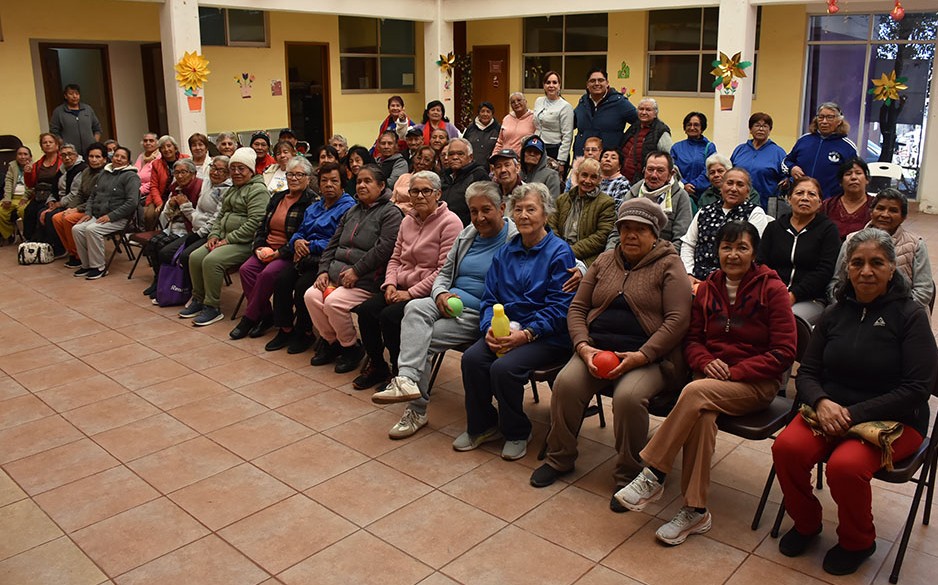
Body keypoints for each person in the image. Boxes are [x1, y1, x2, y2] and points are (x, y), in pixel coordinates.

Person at [615, 220, 796, 545]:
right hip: (708, 378)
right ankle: (695, 511)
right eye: (726, 247)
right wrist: (704, 361)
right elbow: (693, 340)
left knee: (694, 393)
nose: (733, 254)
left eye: (742, 247)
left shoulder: (773, 289)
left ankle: (653, 473)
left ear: (754, 252)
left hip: (753, 383)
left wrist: (736, 371)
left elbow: (783, 352)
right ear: (717, 251)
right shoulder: (709, 287)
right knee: (702, 415)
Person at [772, 228, 936, 576]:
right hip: (830, 410)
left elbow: (917, 389)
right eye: (857, 262)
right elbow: (809, 371)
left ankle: (858, 541)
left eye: (877, 263)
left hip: (896, 418)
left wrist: (852, 413)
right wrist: (822, 402)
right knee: (787, 448)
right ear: (846, 268)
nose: (866, 271)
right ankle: (806, 522)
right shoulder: (834, 312)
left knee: (846, 467)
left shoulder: (910, 317)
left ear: (893, 268)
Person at [531, 198, 692, 500]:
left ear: (655, 234)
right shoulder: (604, 261)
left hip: (648, 359)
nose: (631, 235)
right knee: (566, 384)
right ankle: (559, 457)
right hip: (596, 351)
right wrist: (582, 346)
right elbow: (577, 307)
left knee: (629, 398)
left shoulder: (670, 265)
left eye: (640, 230)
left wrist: (642, 355)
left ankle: (628, 473)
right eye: (625, 228)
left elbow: (678, 320)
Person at [371, 182, 519, 438]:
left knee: (421, 341)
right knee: (415, 307)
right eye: (473, 211)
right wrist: (440, 292)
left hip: (480, 314)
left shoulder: (515, 239)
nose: (479, 218)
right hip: (447, 302)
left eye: (486, 210)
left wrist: (580, 269)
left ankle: (416, 410)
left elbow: (559, 256)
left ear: (501, 208)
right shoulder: (468, 234)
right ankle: (405, 379)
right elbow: (445, 273)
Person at [456, 183, 576, 461]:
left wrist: (529, 333)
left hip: (548, 336)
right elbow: (489, 298)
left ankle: (517, 431)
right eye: (518, 209)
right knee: (472, 359)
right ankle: (483, 425)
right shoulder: (506, 252)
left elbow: (560, 308)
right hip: (506, 330)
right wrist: (487, 329)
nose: (523, 215)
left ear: (545, 215)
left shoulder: (559, 253)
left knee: (504, 368)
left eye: (531, 209)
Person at [350, 171, 462, 390]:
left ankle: (400, 374)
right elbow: (395, 258)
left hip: (427, 293)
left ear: (438, 193)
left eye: (426, 191)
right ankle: (377, 365)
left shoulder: (450, 223)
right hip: (399, 287)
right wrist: (390, 284)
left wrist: (409, 294)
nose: (419, 196)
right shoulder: (407, 220)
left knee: (390, 317)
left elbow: (443, 271)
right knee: (366, 311)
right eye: (414, 191)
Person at [306, 165, 403, 373]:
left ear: (382, 185)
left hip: (366, 279)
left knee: (333, 303)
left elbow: (384, 249)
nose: (361, 185)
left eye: (368, 181)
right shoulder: (352, 210)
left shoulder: (391, 213)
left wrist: (356, 271)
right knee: (311, 296)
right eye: (359, 181)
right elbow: (333, 244)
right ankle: (332, 343)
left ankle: (350, 347)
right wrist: (323, 270)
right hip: (336, 274)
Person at [266, 162, 355, 353]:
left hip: (326, 259)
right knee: (281, 280)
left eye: (334, 181)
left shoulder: (348, 208)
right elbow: (301, 231)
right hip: (304, 255)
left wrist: (309, 246)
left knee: (302, 287)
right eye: (324, 181)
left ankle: (305, 332)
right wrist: (297, 241)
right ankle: (285, 328)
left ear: (342, 184)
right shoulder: (315, 206)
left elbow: (339, 241)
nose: (328, 185)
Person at [180, 147, 270, 326]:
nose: (236, 172)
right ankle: (198, 299)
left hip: (245, 242)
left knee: (211, 260)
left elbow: (255, 223)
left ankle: (212, 307)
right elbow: (220, 216)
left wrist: (228, 239)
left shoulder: (258, 191)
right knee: (195, 257)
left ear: (251, 170)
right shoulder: (232, 189)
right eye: (233, 168)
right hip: (224, 239)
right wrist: (214, 235)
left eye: (241, 168)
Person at [230, 157, 315, 340]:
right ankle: (266, 315)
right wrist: (259, 247)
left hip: (288, 253)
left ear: (308, 178)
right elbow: (262, 227)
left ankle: (249, 318)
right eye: (290, 174)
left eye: (299, 175)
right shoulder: (277, 197)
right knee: (246, 270)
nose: (293, 178)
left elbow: (304, 234)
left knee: (267, 274)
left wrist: (280, 253)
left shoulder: (311, 202)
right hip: (266, 247)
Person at [828, 188, 934, 307]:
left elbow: (924, 292)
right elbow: (837, 283)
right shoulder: (851, 241)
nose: (885, 214)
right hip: (854, 312)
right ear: (871, 212)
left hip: (901, 317)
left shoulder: (916, 245)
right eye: (880, 208)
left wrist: (889, 314)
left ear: (903, 217)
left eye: (893, 210)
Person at [758, 177, 840, 325]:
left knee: (786, 319)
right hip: (771, 293)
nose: (805, 198)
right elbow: (761, 263)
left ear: (820, 202)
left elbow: (824, 271)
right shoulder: (774, 228)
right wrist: (774, 291)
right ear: (789, 199)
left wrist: (793, 295)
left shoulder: (828, 230)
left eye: (811, 194)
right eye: (799, 193)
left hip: (810, 298)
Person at [682, 168, 772, 283]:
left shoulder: (755, 213)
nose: (733, 189)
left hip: (735, 281)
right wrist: (689, 274)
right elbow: (688, 244)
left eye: (740, 185)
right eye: (729, 183)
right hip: (697, 279)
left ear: (748, 191)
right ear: (721, 187)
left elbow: (755, 253)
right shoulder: (704, 211)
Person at [71, 146, 140, 280]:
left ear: (128, 161)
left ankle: (99, 267)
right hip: (98, 215)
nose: (118, 159)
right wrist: (88, 212)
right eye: (116, 156)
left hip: (120, 218)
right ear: (112, 157)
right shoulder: (104, 173)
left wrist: (110, 216)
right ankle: (86, 265)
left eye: (123, 157)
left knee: (92, 230)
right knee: (77, 229)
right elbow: (93, 195)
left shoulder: (131, 176)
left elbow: (132, 203)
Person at [141, 159, 203, 298]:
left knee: (163, 247)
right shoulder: (175, 188)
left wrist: (184, 205)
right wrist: (170, 204)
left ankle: (168, 281)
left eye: (183, 172)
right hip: (173, 227)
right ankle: (158, 280)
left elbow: (199, 219)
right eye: (177, 172)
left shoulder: (200, 188)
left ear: (193, 174)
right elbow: (165, 218)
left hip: (190, 230)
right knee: (153, 243)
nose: (180, 176)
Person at [608, 151, 692, 252]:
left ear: (671, 174)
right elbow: (616, 233)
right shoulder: (632, 194)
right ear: (644, 171)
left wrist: (659, 258)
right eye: (650, 169)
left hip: (663, 256)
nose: (654, 175)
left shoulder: (681, 197)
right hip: (629, 255)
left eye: (660, 170)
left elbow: (681, 240)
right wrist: (610, 255)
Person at [548, 158, 615, 266]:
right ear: (577, 175)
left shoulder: (606, 203)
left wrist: (569, 252)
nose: (587, 181)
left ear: (599, 180)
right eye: (584, 175)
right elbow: (551, 226)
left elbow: (601, 236)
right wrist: (560, 248)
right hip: (557, 251)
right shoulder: (562, 199)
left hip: (587, 258)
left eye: (593, 177)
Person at [784, 102, 858, 199]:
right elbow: (786, 161)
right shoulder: (804, 140)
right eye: (821, 117)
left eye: (830, 117)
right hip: (801, 199)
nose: (824, 121)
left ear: (839, 121)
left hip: (830, 202)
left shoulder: (848, 147)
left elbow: (854, 176)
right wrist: (792, 168)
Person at [54, 143, 107, 267]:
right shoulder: (86, 172)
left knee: (68, 219)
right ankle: (72, 252)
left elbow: (97, 199)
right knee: (56, 218)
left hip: (95, 209)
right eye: (91, 156)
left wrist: (77, 209)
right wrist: (71, 207)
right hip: (82, 206)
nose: (94, 160)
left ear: (104, 159)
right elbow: (79, 194)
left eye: (98, 157)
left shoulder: (105, 174)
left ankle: (79, 256)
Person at [572, 68, 638, 157]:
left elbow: (639, 121)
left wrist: (626, 139)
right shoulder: (583, 102)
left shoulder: (620, 102)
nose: (596, 83)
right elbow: (571, 124)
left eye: (600, 80)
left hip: (607, 161)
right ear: (587, 85)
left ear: (607, 83)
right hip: (583, 158)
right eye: (592, 81)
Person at [37, 143, 86, 257]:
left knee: (51, 216)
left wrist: (59, 204)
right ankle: (47, 245)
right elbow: (54, 189)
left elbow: (75, 194)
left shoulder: (81, 169)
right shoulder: (62, 169)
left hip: (73, 203)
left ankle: (60, 248)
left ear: (76, 155)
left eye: (70, 154)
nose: (67, 158)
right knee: (39, 211)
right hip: (60, 201)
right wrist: (51, 200)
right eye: (63, 155)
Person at [731, 112, 787, 210]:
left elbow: (786, 176)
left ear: (770, 130)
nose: (761, 129)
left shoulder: (778, 152)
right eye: (757, 125)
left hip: (765, 204)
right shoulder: (740, 150)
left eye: (765, 126)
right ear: (750, 129)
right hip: (737, 204)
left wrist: (786, 181)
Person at [621, 98, 672, 184]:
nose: (644, 112)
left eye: (648, 110)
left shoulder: (661, 131)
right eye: (641, 109)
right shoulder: (634, 126)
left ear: (655, 113)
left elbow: (668, 158)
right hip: (624, 178)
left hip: (643, 181)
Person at [23, 133, 63, 241]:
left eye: (51, 142)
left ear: (57, 145)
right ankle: (31, 241)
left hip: (54, 194)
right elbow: (30, 184)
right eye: (45, 142)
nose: (48, 144)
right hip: (38, 195)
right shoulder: (37, 164)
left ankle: (44, 242)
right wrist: (27, 173)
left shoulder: (63, 161)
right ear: (41, 146)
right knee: (28, 212)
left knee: (41, 213)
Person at [821, 157, 873, 241]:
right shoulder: (827, 205)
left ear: (867, 179)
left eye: (858, 173)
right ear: (840, 182)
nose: (853, 177)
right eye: (848, 174)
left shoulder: (876, 206)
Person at [441, 138, 488, 226]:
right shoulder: (444, 176)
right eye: (451, 154)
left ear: (470, 157)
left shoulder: (479, 175)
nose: (455, 157)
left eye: (460, 154)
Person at [533, 71, 575, 170]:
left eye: (554, 82)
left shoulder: (565, 106)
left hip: (555, 150)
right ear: (544, 85)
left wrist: (561, 161)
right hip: (538, 148)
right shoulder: (539, 101)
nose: (551, 85)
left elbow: (567, 136)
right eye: (548, 82)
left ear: (559, 85)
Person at [146, 136, 189, 230]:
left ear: (175, 147)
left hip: (179, 194)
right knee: (149, 215)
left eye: (169, 146)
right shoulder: (156, 164)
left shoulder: (186, 159)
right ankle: (151, 237)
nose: (166, 149)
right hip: (161, 196)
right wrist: (159, 203)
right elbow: (154, 186)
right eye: (162, 147)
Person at [671, 112, 716, 198]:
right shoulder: (676, 148)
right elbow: (672, 169)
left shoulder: (709, 147)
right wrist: (684, 185)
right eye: (689, 125)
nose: (692, 128)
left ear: (702, 128)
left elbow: (710, 170)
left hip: (703, 195)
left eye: (696, 125)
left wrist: (692, 186)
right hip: (679, 192)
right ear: (684, 128)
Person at [48, 84, 102, 155]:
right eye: (71, 94)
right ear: (65, 96)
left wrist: (95, 142)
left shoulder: (88, 109)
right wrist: (63, 144)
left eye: (77, 94)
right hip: (70, 154)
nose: (74, 96)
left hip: (89, 151)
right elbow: (54, 132)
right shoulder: (59, 111)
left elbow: (97, 128)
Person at [694, 154, 759, 211]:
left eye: (720, 171)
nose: (716, 175)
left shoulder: (750, 193)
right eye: (712, 172)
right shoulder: (706, 197)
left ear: (729, 172)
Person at [0, 146, 33, 243]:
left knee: (24, 210)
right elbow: (8, 182)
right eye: (20, 154)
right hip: (13, 197)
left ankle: (28, 236)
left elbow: (33, 185)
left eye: (25, 154)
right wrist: (7, 198)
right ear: (16, 156)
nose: (22, 157)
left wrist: (25, 197)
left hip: (27, 197)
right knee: (1, 211)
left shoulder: (34, 166)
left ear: (30, 157)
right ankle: (9, 234)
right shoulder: (12, 166)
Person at [393, 145, 436, 213]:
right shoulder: (403, 177)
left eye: (426, 160)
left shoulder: (432, 182)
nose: (421, 162)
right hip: (394, 214)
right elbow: (392, 200)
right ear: (413, 159)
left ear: (432, 165)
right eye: (419, 158)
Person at [462, 102, 500, 168]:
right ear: (478, 113)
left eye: (488, 112)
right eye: (482, 111)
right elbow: (464, 146)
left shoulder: (498, 129)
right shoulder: (470, 128)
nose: (485, 114)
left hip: (491, 168)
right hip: (471, 168)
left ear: (492, 114)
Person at [134, 133, 161, 202]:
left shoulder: (159, 157)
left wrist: (139, 190)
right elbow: (134, 173)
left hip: (149, 194)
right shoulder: (141, 156)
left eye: (151, 141)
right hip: (135, 191)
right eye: (145, 141)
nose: (148, 143)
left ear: (157, 143)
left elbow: (155, 181)